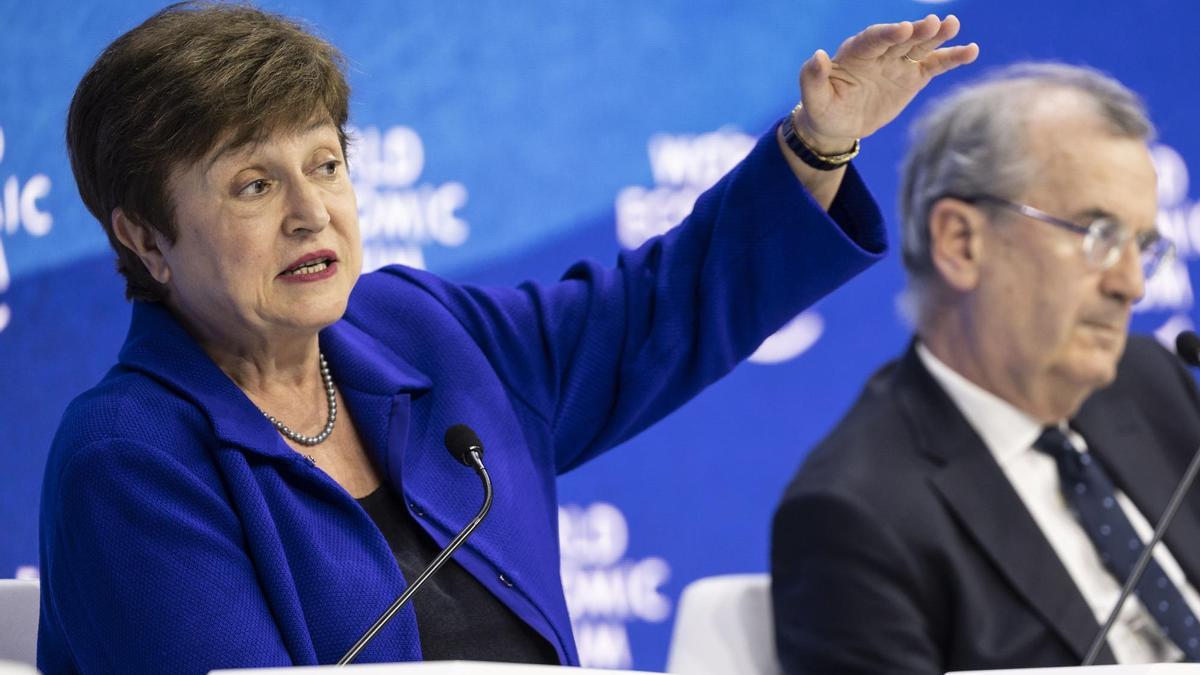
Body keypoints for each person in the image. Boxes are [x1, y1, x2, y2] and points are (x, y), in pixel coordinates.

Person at [38, 3, 977, 674]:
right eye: (253, 184)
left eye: (325, 165)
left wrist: (818, 145)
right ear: (144, 236)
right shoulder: (130, 459)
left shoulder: (423, 335)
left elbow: (658, 311)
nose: (311, 212)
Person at [770, 62, 1199, 673]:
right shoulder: (855, 512)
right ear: (961, 243)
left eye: (1144, 247)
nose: (1132, 286)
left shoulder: (1151, 383)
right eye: (1099, 234)